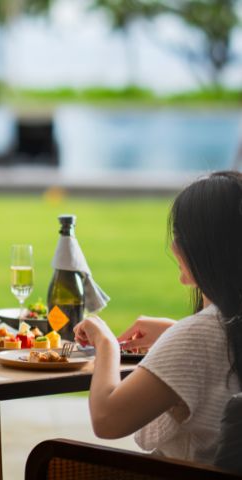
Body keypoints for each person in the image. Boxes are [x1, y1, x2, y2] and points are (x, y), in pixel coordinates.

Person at [74, 170, 242, 464]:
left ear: (206, 247)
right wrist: (175, 333)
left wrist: (105, 345)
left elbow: (106, 419)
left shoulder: (201, 335)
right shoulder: (224, 330)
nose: (173, 246)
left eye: (180, 235)